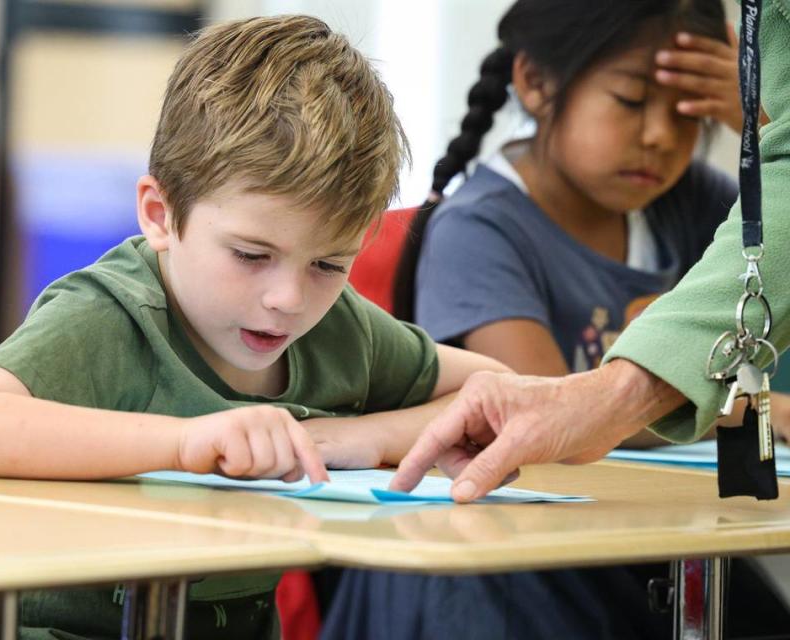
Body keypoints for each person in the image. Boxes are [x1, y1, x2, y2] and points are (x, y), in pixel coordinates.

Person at [0, 15, 508, 640]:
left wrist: (360, 437)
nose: (288, 299)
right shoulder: (111, 314)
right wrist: (185, 443)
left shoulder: (338, 328)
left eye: (329, 264)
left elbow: (497, 397)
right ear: (160, 214)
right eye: (251, 255)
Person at [320, 1, 790, 638]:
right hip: (516, 558)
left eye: (688, 113)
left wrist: (761, 126)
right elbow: (541, 410)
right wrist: (747, 410)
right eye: (629, 100)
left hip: (644, 540)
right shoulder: (479, 227)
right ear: (537, 84)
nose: (658, 135)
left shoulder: (698, 203)